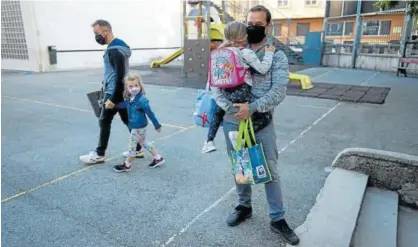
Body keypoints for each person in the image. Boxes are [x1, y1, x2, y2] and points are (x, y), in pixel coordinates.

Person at [212, 5, 300, 246]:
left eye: (257, 24)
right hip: (232, 120)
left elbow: (279, 91)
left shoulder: (277, 55)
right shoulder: (230, 51)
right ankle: (244, 206)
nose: (251, 28)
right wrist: (229, 108)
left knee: (270, 170)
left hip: (261, 121)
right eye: (249, 23)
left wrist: (251, 108)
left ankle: (277, 218)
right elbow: (217, 82)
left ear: (268, 27)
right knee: (240, 166)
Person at [201, 21, 276, 154]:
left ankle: (209, 141)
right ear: (244, 37)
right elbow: (263, 69)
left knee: (218, 113)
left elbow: (212, 78)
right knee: (264, 117)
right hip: (242, 94)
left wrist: (223, 102)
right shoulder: (245, 52)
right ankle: (239, 137)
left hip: (225, 93)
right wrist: (269, 53)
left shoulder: (218, 53)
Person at [80, 20, 144, 164]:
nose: (96, 37)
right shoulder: (118, 48)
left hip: (114, 93)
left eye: (97, 33)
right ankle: (138, 149)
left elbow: (120, 77)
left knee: (104, 121)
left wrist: (113, 99)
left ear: (106, 31)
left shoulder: (115, 50)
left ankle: (99, 154)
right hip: (120, 93)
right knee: (127, 120)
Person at [113, 74, 165, 172]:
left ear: (140, 86)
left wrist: (157, 125)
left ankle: (127, 165)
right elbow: (124, 105)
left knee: (132, 147)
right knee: (144, 143)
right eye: (131, 86)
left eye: (136, 85)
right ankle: (158, 158)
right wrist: (114, 105)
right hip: (138, 126)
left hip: (138, 127)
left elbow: (150, 113)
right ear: (127, 88)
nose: (134, 88)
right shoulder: (129, 99)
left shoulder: (142, 100)